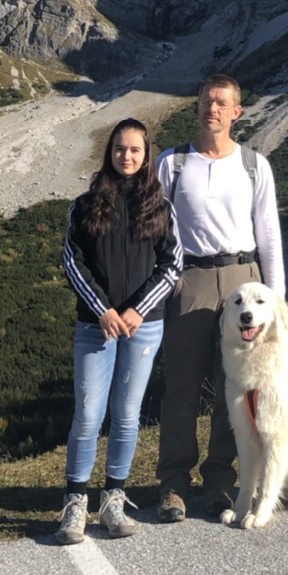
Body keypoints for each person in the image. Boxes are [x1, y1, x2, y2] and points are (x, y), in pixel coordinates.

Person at [154, 74, 285, 521]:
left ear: (236, 112)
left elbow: (269, 233)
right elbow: (154, 231)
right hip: (188, 279)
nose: (212, 109)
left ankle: (221, 483)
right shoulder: (170, 164)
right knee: (182, 386)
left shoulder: (254, 165)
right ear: (197, 107)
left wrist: (278, 301)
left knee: (236, 388)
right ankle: (173, 484)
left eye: (221, 103)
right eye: (207, 101)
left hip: (244, 278)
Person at [57, 117, 182, 544]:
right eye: (118, 149)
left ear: (146, 155)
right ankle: (76, 502)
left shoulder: (161, 208)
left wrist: (138, 311)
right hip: (96, 327)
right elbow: (72, 262)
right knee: (88, 414)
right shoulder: (85, 204)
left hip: (143, 328)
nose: (126, 156)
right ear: (108, 153)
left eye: (134, 150)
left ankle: (113, 496)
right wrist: (103, 309)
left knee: (127, 414)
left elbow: (173, 263)